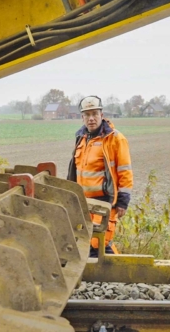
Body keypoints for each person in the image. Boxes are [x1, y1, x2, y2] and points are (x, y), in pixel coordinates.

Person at [67, 96, 133, 257]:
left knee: (100, 243)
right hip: (83, 202)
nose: (91, 118)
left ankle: (119, 274)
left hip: (104, 201)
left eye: (94, 114)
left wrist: (123, 202)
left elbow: (124, 171)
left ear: (101, 115)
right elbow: (75, 170)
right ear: (82, 117)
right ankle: (99, 278)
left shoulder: (115, 139)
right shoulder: (81, 138)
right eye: (87, 115)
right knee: (85, 242)